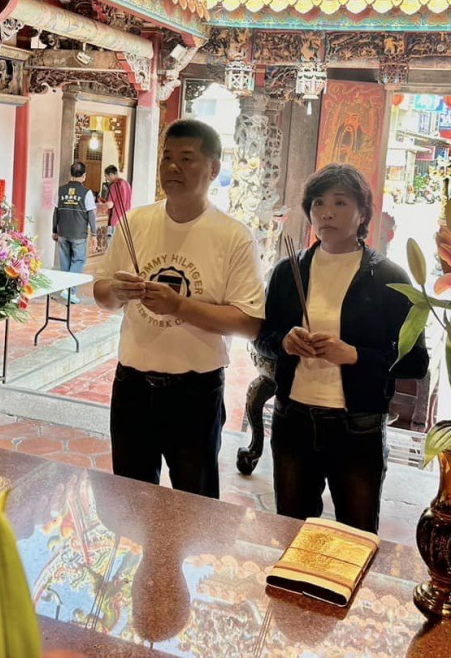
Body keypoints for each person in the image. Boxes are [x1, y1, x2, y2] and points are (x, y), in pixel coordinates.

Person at [254, 164, 430, 534]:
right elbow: (262, 338)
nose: (326, 213)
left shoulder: (388, 278)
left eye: (339, 203)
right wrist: (284, 342)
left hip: (357, 427)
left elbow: (415, 362)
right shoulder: (289, 272)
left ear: (362, 214)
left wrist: (353, 355)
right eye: (318, 203)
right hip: (294, 420)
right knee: (292, 530)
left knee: (356, 536)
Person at [94, 119, 265, 499]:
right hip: (132, 384)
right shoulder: (135, 222)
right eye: (166, 158)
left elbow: (249, 323)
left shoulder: (234, 236)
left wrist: (179, 306)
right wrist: (118, 291)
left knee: (194, 503)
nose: (172, 167)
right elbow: (102, 294)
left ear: (213, 168)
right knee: (130, 499)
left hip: (195, 392)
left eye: (187, 159)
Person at [53, 161, 98, 304]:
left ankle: (66, 289)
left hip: (63, 232)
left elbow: (56, 212)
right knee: (78, 261)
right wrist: (94, 235)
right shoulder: (86, 193)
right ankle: (70, 291)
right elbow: (91, 214)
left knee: (65, 262)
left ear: (71, 174)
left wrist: (54, 230)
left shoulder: (61, 190)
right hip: (78, 234)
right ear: (84, 175)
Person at [101, 165, 133, 233]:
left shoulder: (114, 185)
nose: (106, 179)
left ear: (111, 175)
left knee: (113, 238)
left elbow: (110, 204)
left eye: (106, 176)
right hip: (127, 218)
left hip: (116, 220)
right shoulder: (127, 184)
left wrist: (101, 205)